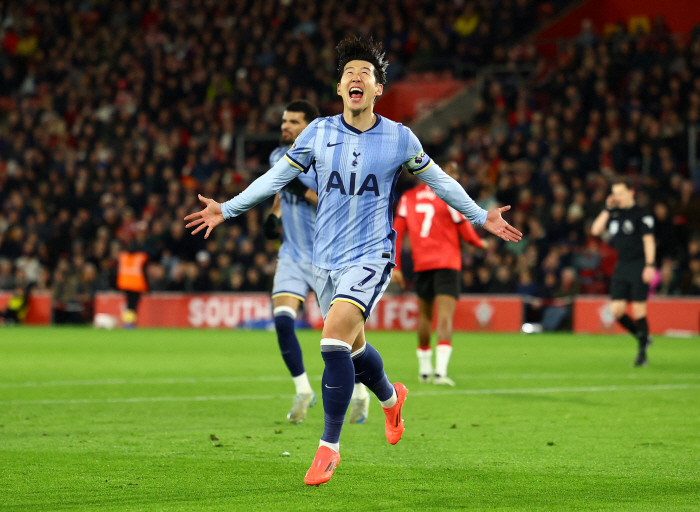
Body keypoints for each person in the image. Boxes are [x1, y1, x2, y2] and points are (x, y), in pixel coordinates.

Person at [185, 37, 521, 486]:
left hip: (372, 254)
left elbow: (439, 180)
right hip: (326, 258)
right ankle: (390, 396)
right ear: (339, 88)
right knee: (355, 350)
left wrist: (481, 216)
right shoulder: (317, 133)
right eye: (349, 73)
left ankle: (328, 448)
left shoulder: (399, 137)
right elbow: (275, 178)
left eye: (366, 73)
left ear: (378, 88)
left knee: (331, 342)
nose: (357, 77)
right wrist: (226, 208)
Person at [262, 100, 371, 425]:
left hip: (329, 256)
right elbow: (281, 189)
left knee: (343, 337)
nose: (285, 126)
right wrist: (274, 214)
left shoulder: (328, 157)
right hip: (293, 254)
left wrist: (303, 190)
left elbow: (338, 202)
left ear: (309, 126)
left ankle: (362, 390)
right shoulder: (276, 155)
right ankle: (302, 390)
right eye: (284, 119)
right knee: (282, 320)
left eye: (293, 121)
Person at [392, 161, 487, 386]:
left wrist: (396, 266)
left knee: (425, 317)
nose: (455, 176)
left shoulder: (408, 198)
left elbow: (397, 232)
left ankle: (424, 370)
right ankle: (440, 373)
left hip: (422, 265)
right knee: (444, 318)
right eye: (452, 172)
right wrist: (482, 244)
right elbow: (467, 233)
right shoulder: (450, 196)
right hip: (447, 264)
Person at [591, 179, 656, 366]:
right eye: (614, 193)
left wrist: (650, 265)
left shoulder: (642, 214)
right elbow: (595, 230)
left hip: (638, 264)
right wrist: (607, 208)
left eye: (620, 192)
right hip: (622, 266)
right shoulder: (616, 214)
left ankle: (642, 354)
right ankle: (643, 338)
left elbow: (649, 241)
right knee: (616, 310)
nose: (616, 196)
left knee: (638, 309)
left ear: (631, 193)